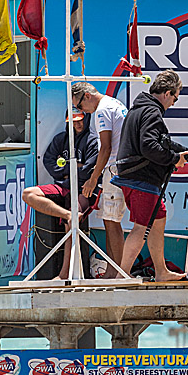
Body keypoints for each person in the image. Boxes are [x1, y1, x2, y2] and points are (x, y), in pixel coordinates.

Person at [110, 70, 188, 282]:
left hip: (130, 175)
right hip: (141, 179)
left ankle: (161, 271)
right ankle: (122, 275)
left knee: (158, 218)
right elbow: (149, 146)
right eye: (175, 97)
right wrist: (174, 159)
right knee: (141, 227)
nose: (174, 103)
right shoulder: (152, 113)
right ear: (167, 93)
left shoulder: (138, 110)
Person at [21, 110, 99, 280]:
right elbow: (48, 161)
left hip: (83, 189)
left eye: (80, 121)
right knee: (28, 194)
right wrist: (72, 168)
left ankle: (64, 274)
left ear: (87, 119)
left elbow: (89, 170)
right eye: (73, 121)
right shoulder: (60, 139)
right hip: (63, 186)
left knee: (72, 223)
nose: (77, 124)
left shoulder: (93, 140)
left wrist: (71, 171)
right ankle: (66, 214)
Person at [72, 81, 127, 276]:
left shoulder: (102, 110)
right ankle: (115, 271)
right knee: (110, 221)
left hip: (115, 169)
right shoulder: (114, 103)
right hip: (120, 167)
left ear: (86, 96)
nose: (82, 112)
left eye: (79, 106)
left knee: (112, 222)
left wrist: (93, 178)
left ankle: (117, 273)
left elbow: (106, 147)